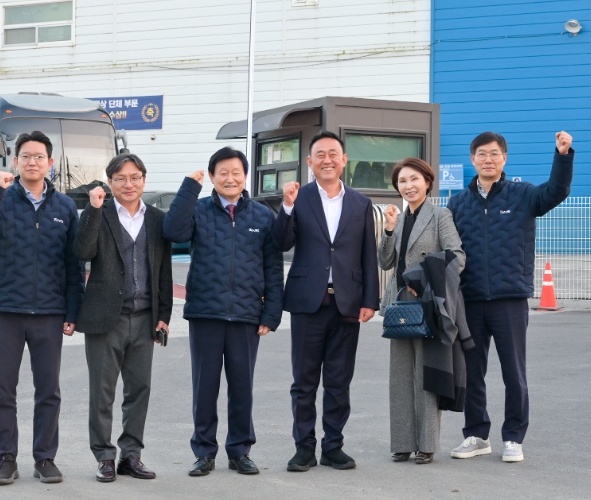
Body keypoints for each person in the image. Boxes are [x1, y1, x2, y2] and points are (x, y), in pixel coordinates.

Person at [0, 131, 83, 486]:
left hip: (49, 311)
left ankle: (45, 458)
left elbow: (73, 263)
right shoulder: (0, 197)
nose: (33, 162)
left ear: (50, 162)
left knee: (49, 390)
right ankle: (5, 458)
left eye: (39, 156)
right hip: (5, 309)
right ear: (16, 161)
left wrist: (72, 312)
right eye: (26, 156)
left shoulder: (64, 207)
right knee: (3, 389)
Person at [448, 131, 574, 463]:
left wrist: (562, 156)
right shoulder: (457, 203)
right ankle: (476, 435)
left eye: (494, 154)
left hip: (510, 298)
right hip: (470, 299)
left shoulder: (523, 194)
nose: (488, 159)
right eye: (481, 154)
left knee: (513, 373)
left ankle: (514, 437)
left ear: (504, 158)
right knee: (471, 372)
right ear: (472, 159)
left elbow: (556, 191)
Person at [163, 147, 284, 477]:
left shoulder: (262, 216)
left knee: (242, 388)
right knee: (205, 388)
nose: (230, 178)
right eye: (223, 173)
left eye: (236, 172)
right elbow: (173, 231)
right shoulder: (198, 209)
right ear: (213, 177)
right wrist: (189, 188)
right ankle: (204, 452)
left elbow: (273, 268)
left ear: (245, 176)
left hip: (247, 315)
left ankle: (240, 451)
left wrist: (271, 314)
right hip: (206, 313)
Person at [273, 131, 380, 472]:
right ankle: (304, 447)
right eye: (320, 154)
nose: (327, 160)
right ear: (310, 162)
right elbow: (281, 243)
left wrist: (370, 299)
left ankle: (334, 446)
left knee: (338, 382)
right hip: (308, 302)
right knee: (304, 382)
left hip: (347, 303)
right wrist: (286, 207)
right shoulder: (299, 197)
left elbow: (367, 254)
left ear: (344, 160)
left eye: (333, 153)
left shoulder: (361, 203)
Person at [73, 153, 173, 482]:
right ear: (110, 182)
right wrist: (93, 209)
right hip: (105, 319)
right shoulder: (99, 213)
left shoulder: (157, 219)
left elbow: (163, 271)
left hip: (145, 318)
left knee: (139, 390)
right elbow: (82, 252)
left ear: (143, 179)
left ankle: (131, 455)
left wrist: (164, 314)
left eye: (134, 177)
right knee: (102, 392)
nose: (128, 184)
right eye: (120, 179)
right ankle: (104, 456)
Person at [377, 158, 465, 464]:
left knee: (425, 376)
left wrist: (422, 279)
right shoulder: (399, 219)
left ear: (427, 182)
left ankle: (426, 445)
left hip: (428, 304)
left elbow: (457, 256)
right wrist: (389, 230)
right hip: (400, 304)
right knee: (400, 377)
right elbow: (385, 262)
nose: (408, 186)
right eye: (402, 181)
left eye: (414, 179)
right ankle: (402, 442)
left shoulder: (440, 215)